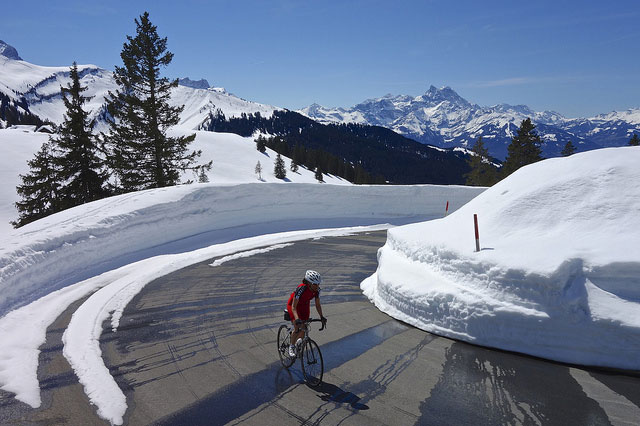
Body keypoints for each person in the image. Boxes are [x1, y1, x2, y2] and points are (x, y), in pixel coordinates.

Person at [287, 270, 327, 357]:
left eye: (318, 284)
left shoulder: (317, 290)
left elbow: (317, 305)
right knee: (297, 326)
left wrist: (321, 316)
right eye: (315, 284)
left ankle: (298, 342)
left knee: (305, 327)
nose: (317, 286)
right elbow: (293, 307)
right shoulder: (301, 288)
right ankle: (291, 346)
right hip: (293, 306)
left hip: (304, 306)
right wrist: (297, 319)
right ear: (309, 283)